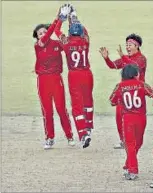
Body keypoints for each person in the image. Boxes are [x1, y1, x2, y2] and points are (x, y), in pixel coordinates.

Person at [33, 8, 75, 149]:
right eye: (40, 33)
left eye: (45, 31)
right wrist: (58, 18)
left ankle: (69, 136)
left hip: (56, 80)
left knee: (61, 109)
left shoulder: (57, 44)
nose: (43, 34)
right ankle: (49, 138)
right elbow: (51, 31)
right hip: (43, 81)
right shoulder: (38, 45)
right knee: (47, 111)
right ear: (37, 37)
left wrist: (70, 20)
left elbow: (69, 44)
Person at [109, 64, 153, 180]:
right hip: (141, 118)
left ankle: (131, 168)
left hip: (127, 119)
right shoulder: (141, 84)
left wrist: (121, 101)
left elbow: (112, 101)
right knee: (138, 142)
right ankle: (130, 167)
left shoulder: (120, 86)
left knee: (130, 144)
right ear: (135, 74)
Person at [54, 4, 94, 148]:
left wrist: (62, 18)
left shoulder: (66, 42)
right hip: (87, 74)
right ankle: (89, 125)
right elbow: (85, 31)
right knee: (88, 101)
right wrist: (74, 16)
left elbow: (57, 30)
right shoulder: (86, 41)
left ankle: (83, 134)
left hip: (74, 75)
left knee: (77, 106)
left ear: (70, 33)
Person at [99, 34, 146, 149]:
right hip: (124, 92)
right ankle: (123, 140)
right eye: (126, 45)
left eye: (130, 45)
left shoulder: (141, 59)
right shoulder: (125, 58)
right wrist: (106, 58)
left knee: (135, 118)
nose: (127, 47)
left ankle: (135, 140)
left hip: (136, 94)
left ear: (137, 46)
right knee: (119, 117)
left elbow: (135, 66)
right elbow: (113, 65)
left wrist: (123, 57)